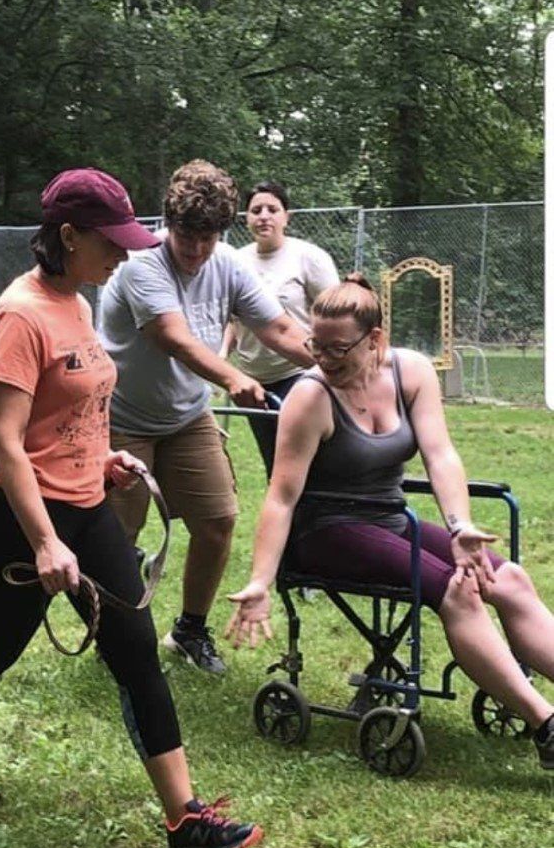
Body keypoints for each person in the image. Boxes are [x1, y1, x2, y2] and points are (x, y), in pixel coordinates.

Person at [0, 167, 266, 848]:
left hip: (87, 506)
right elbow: (5, 440)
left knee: (135, 651)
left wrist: (99, 459)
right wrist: (44, 542)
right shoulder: (18, 315)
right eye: (110, 242)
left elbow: (75, 410)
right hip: (16, 518)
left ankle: (185, 819)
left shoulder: (78, 305)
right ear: (67, 236)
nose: (123, 255)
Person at [225, 274, 554, 772]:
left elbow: (440, 455)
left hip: (391, 522)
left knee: (508, 579)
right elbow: (281, 497)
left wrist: (460, 525)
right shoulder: (310, 398)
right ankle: (546, 725)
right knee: (459, 591)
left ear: (374, 339)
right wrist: (259, 581)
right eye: (316, 345)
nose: (323, 359)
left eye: (338, 348)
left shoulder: (411, 372)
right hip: (326, 531)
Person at [98, 160, 313, 676]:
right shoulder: (141, 263)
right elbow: (172, 337)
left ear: (221, 232)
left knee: (217, 522)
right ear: (168, 224)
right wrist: (232, 377)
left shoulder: (228, 265)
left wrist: (343, 363)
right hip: (122, 417)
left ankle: (189, 630)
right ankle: (113, 633)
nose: (195, 250)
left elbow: (280, 329)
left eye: (207, 238)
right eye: (186, 237)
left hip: (186, 416)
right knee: (116, 535)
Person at [231, 181, 340, 474]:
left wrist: (331, 364)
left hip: (299, 374)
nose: (264, 216)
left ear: (286, 217)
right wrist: (221, 357)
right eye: (256, 210)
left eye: (272, 209)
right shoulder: (236, 261)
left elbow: (336, 315)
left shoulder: (309, 258)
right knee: (274, 465)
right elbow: (233, 320)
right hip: (252, 382)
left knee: (305, 463)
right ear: (246, 218)